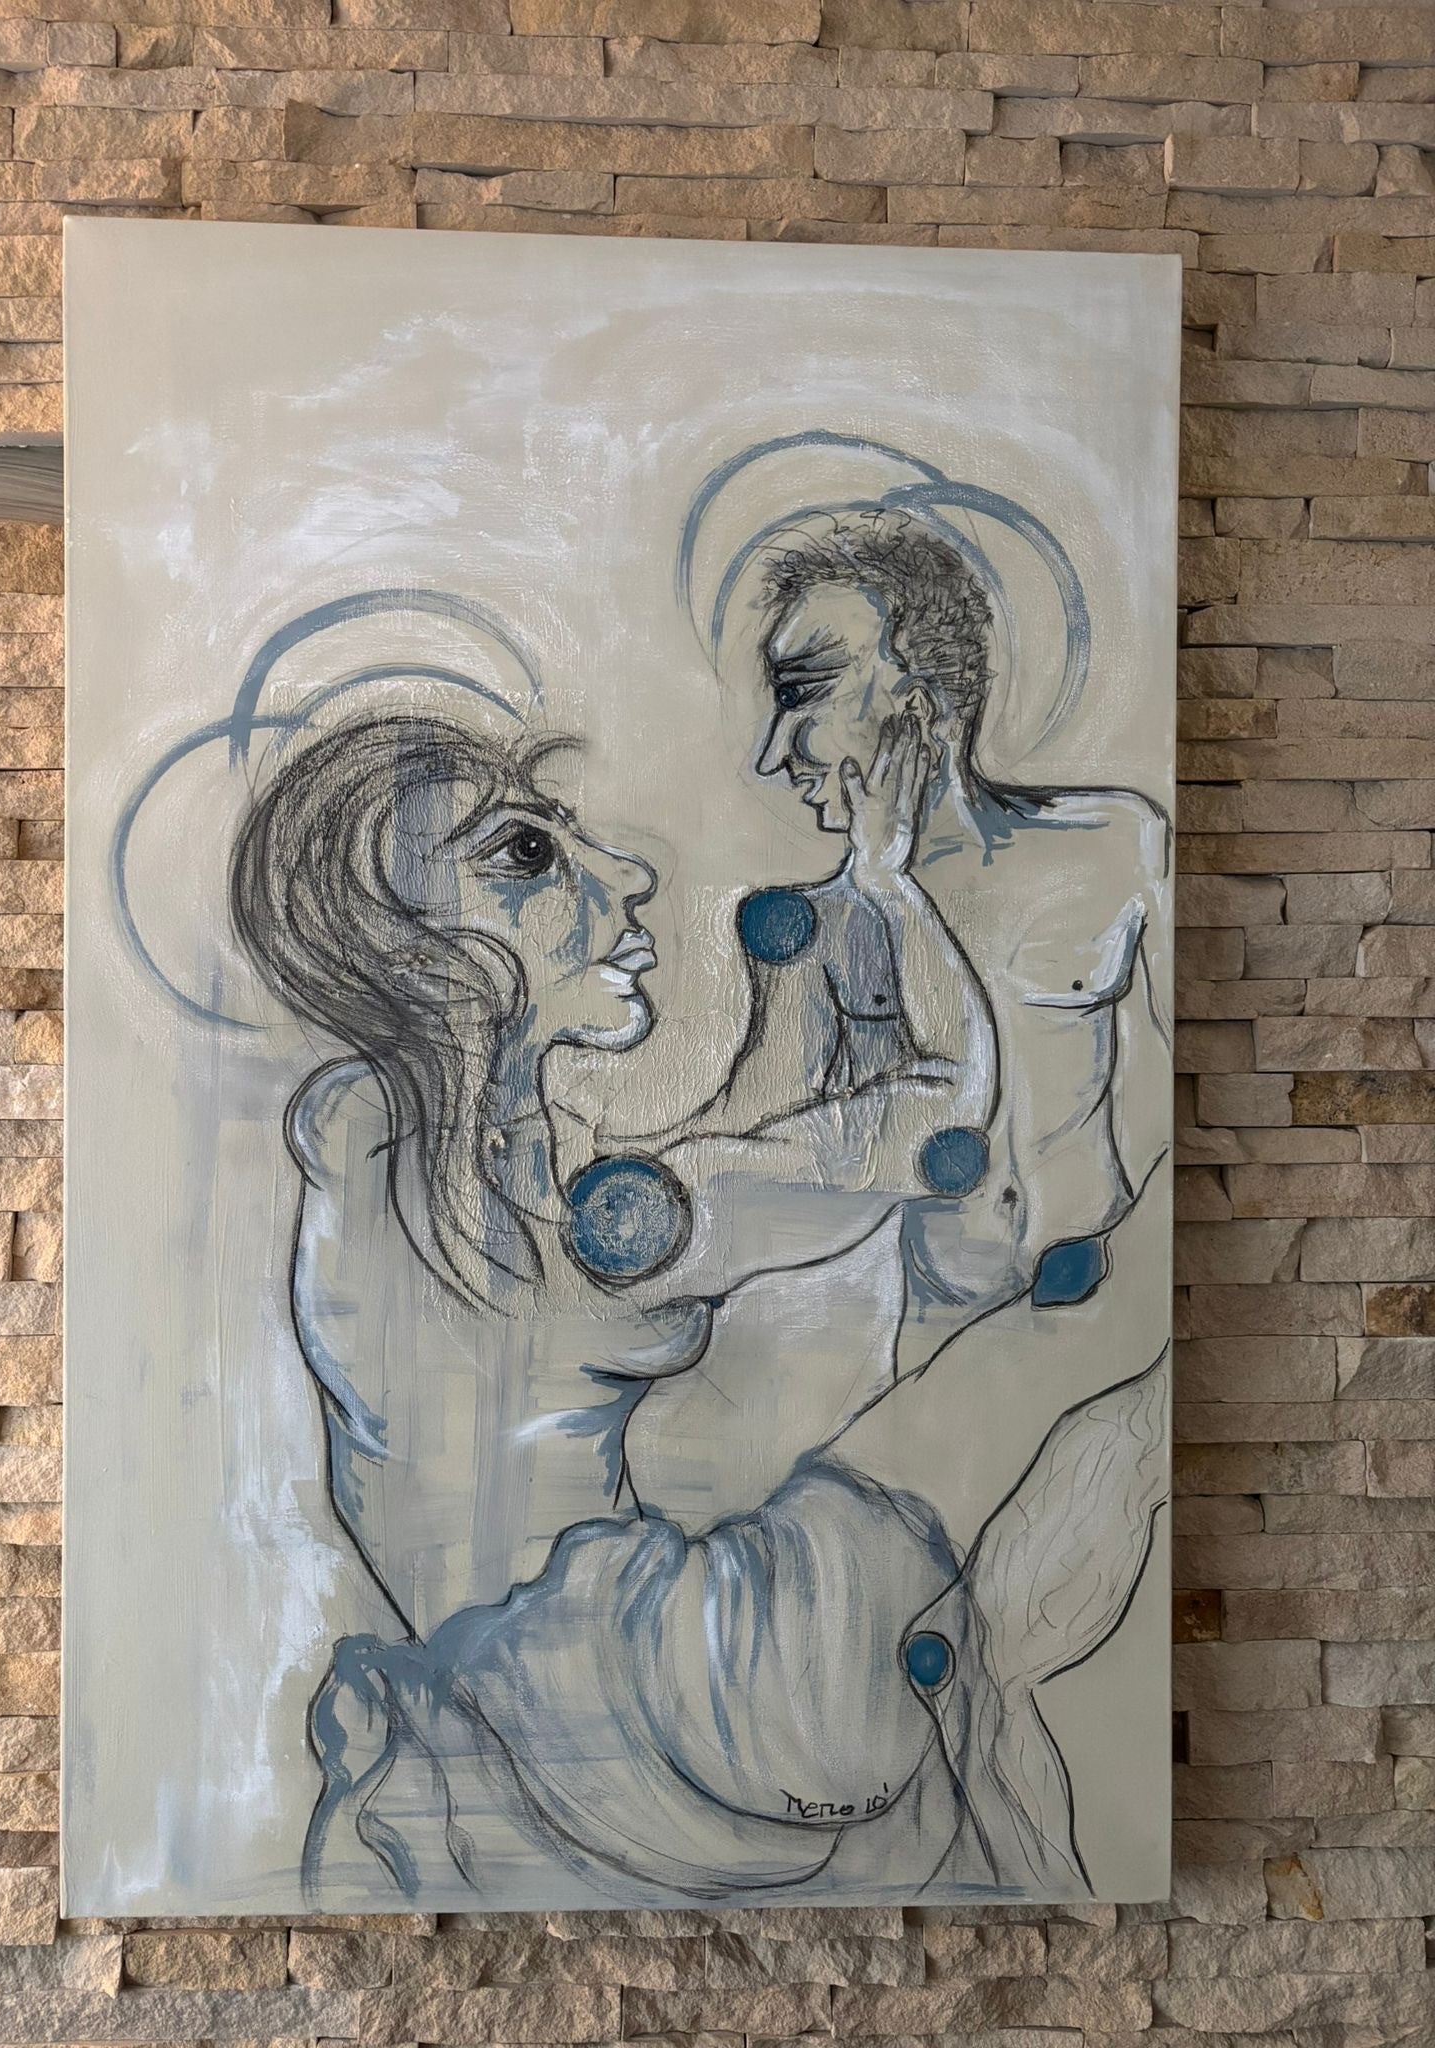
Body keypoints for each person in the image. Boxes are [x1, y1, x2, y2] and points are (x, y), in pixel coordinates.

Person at [229, 706, 1161, 1911]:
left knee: (1080, 1414)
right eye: (526, 854)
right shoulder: (522, 1197)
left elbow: (730, 1153)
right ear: (407, 946)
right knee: (1112, 1308)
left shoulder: (391, 1147)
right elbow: (938, 1120)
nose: (628, 875)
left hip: (542, 1735)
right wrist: (888, 885)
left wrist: (792, 1000)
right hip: (694, 1691)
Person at [630, 506, 1171, 1525]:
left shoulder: (1118, 848)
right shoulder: (811, 928)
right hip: (926, 1386)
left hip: (1109, 1343)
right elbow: (752, 1143)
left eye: (805, 692)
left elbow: (1188, 1119)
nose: (773, 750)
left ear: (920, 703)